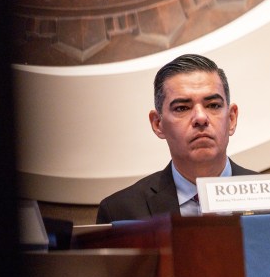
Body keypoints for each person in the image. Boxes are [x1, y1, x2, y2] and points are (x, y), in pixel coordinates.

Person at [96, 53, 257, 223]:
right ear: (158, 124)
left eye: (213, 105)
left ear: (231, 119)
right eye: (182, 108)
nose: (200, 118)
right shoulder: (119, 212)